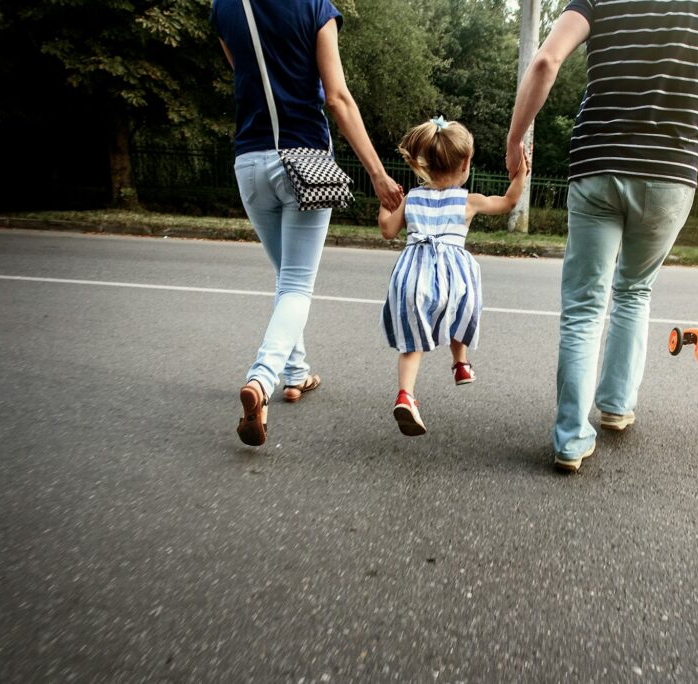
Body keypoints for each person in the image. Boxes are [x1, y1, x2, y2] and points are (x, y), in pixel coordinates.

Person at [505, 1, 698, 472]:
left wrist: (515, 138)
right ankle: (617, 406)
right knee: (635, 290)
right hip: (669, 173)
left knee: (585, 304)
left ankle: (569, 439)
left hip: (597, 164)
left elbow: (545, 61)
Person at [211, 0, 403, 446]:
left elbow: (246, 73)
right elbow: (337, 97)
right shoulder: (315, 6)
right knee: (297, 284)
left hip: (250, 160)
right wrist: (377, 173)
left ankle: (295, 371)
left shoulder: (223, 8)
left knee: (284, 276)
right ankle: (262, 379)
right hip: (305, 159)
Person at [379, 116, 528, 437]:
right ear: (465, 164)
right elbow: (509, 201)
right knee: (458, 311)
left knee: (412, 343)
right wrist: (521, 173)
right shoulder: (468, 200)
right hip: (454, 278)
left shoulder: (412, 198)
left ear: (426, 162)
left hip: (412, 276)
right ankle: (460, 363)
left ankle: (406, 395)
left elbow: (388, 230)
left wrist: (383, 204)